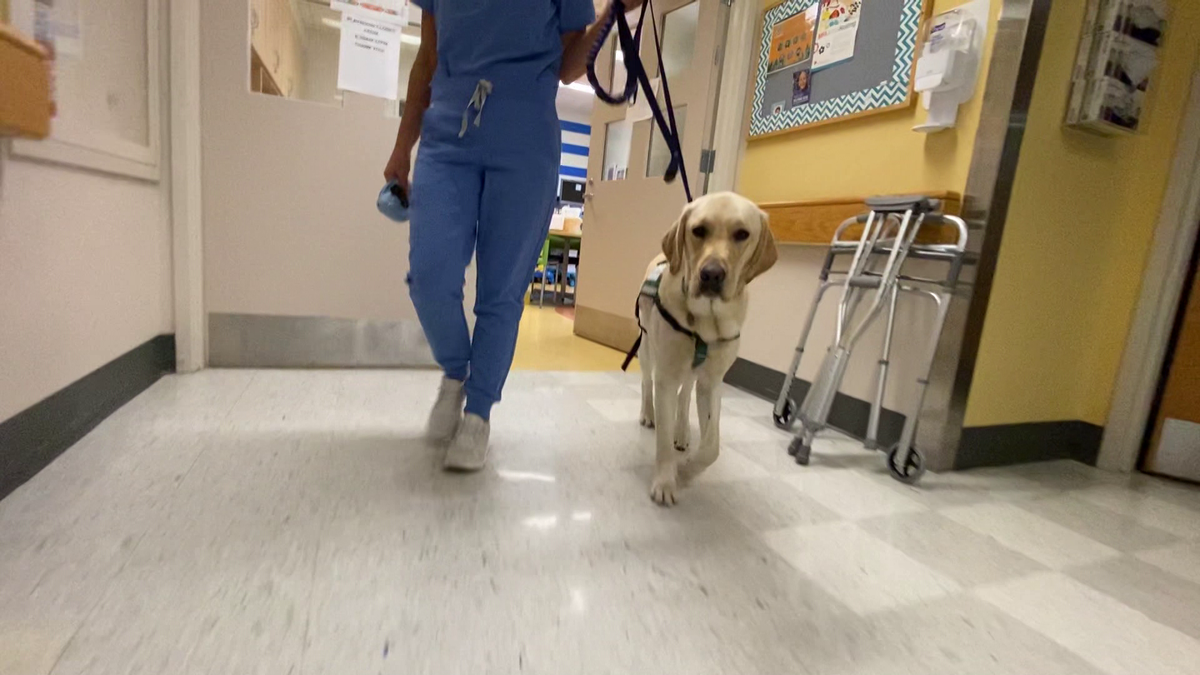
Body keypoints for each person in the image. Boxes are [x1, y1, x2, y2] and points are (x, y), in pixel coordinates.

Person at [384, 1, 641, 471]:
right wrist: (403, 147)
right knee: (429, 277)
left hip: (526, 139)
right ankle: (457, 371)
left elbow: (566, 67)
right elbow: (427, 58)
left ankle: (479, 413)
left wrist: (611, 13)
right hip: (448, 134)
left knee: (501, 294)